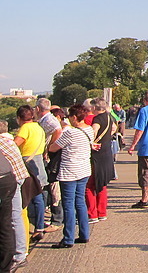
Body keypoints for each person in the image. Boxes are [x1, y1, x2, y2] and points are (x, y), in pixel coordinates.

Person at [49, 104, 93, 248]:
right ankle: (84, 233)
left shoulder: (70, 133)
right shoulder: (89, 130)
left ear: (74, 117)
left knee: (68, 204)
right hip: (84, 170)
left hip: (69, 171)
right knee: (80, 201)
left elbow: (53, 147)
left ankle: (68, 238)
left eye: (69, 117)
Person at [13, 105, 47, 243]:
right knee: (38, 197)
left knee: (24, 197)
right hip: (38, 161)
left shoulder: (25, 128)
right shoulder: (38, 127)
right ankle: (39, 227)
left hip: (27, 163)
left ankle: (24, 228)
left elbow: (15, 144)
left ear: (19, 118)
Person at [0, 129, 29, 272]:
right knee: (13, 217)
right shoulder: (7, 141)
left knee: (12, 218)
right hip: (16, 177)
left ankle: (19, 254)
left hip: (10, 179)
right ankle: (19, 253)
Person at [34, 97, 64, 232]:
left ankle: (57, 220)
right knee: (49, 187)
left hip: (51, 158)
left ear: (38, 109)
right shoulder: (46, 119)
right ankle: (53, 217)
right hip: (49, 157)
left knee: (53, 188)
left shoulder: (48, 120)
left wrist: (50, 148)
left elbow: (58, 130)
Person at [86, 99, 116, 223]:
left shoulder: (97, 119)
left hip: (97, 155)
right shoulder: (109, 117)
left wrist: (91, 141)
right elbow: (114, 128)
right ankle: (102, 212)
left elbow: (94, 130)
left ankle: (92, 214)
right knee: (102, 184)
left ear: (95, 107)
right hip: (107, 153)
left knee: (90, 185)